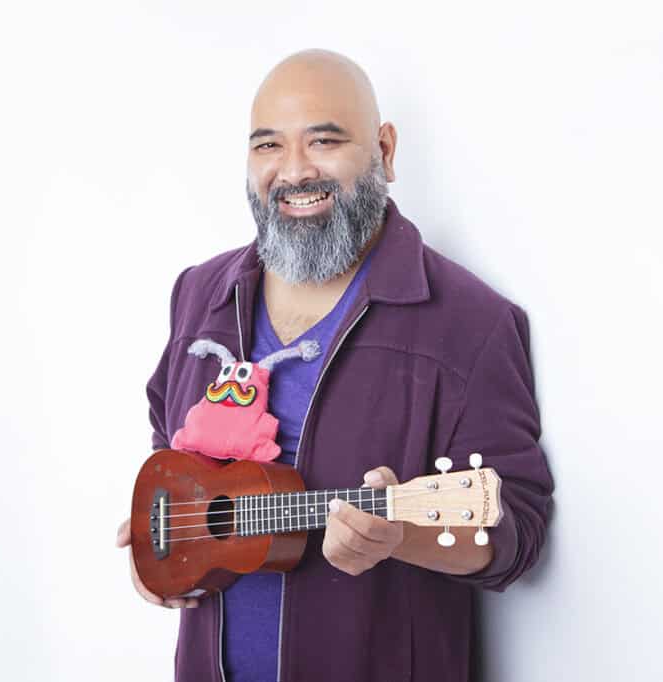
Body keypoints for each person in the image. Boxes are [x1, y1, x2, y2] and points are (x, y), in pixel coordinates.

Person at [115, 48, 554, 682]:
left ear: (385, 150)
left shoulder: (470, 323)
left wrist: (402, 537)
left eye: (323, 140)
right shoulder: (201, 292)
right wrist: (166, 541)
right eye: (268, 146)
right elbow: (168, 440)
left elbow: (517, 532)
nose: (294, 172)